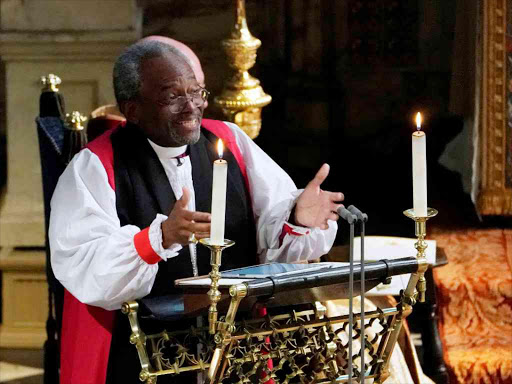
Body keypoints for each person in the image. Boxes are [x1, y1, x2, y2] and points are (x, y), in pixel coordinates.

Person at [49, 39, 343, 384]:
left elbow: (271, 236)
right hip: (142, 355)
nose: (191, 107)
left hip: (235, 347)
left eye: (197, 92)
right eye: (173, 96)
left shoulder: (228, 140)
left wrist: (298, 218)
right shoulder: (96, 166)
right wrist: (157, 239)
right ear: (133, 108)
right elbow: (83, 265)